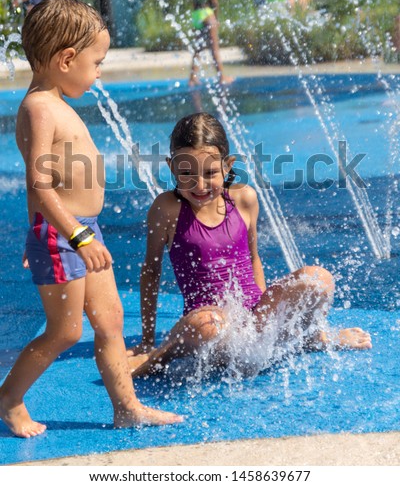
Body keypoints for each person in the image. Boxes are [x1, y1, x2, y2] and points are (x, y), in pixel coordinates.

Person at [0, 0, 182, 438]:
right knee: (64, 332)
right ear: (66, 59)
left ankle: (127, 408)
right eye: (96, 62)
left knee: (111, 320)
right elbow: (40, 185)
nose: (99, 71)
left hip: (79, 232)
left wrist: (59, 233)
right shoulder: (40, 108)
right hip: (69, 235)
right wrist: (71, 235)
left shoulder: (54, 101)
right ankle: (8, 400)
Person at [127, 112, 372, 377]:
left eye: (210, 173)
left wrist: (268, 320)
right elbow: (151, 272)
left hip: (252, 320)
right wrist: (147, 338)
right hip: (209, 329)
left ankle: (313, 336)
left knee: (318, 279)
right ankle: (157, 357)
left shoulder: (244, 199)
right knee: (208, 324)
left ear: (228, 166)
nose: (199, 185)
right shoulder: (167, 208)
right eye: (186, 173)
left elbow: (253, 259)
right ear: (172, 167)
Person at [190, 0, 233, 86]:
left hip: (197, 15)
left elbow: (194, 2)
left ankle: (192, 78)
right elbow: (214, 3)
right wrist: (216, 18)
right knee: (214, 49)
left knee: (198, 49)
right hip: (207, 15)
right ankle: (222, 77)